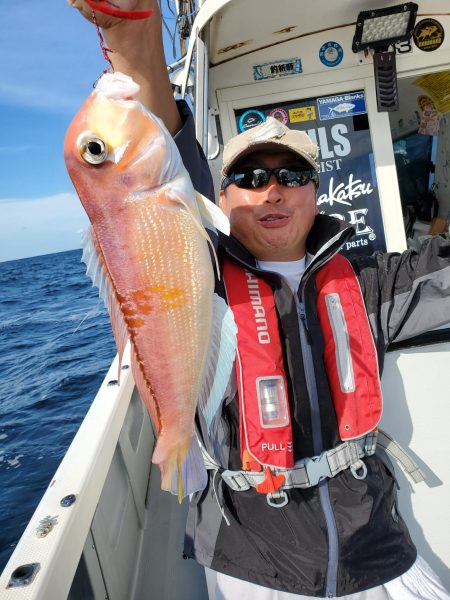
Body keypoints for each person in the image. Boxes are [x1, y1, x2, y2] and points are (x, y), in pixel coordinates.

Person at [70, 2, 450, 598]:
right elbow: (159, 131)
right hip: (251, 553)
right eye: (247, 178)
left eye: (291, 175)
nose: (270, 190)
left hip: (377, 543)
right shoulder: (203, 273)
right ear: (216, 195)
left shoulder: (370, 282)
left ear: (315, 194)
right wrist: (126, 23)